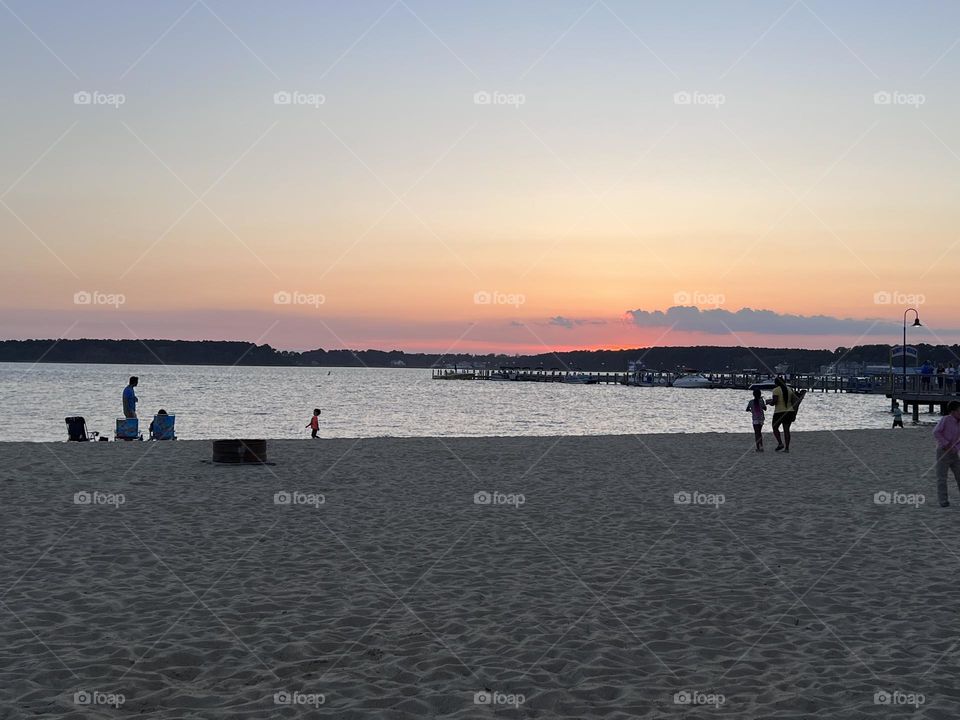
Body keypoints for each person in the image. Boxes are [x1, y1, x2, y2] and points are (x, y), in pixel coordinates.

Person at [933, 400, 960, 507]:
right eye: (959, 410)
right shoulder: (946, 419)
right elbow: (936, 432)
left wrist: (955, 448)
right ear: (953, 411)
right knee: (942, 478)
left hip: (954, 453)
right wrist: (946, 444)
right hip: (942, 452)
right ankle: (943, 501)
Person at [768, 377, 797, 453]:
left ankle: (780, 443)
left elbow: (775, 401)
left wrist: (769, 403)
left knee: (775, 428)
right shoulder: (789, 389)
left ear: (776, 383)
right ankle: (787, 448)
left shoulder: (776, 390)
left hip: (779, 412)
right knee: (786, 430)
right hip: (789, 412)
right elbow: (794, 400)